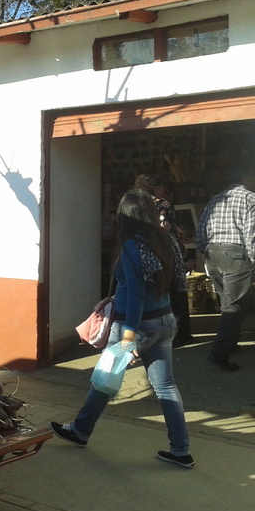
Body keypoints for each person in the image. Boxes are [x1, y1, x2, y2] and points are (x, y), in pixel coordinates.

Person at [52, 188, 194, 468]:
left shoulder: (131, 245)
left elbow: (138, 294)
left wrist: (128, 338)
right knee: (166, 386)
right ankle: (181, 450)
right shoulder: (165, 240)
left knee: (106, 378)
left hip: (137, 323)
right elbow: (177, 282)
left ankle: (81, 430)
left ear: (126, 216)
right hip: (165, 320)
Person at [196, 167, 255, 371]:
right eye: (253, 175)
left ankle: (230, 344)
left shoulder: (216, 198)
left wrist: (205, 250)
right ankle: (219, 352)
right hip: (234, 253)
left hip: (212, 252)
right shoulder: (252, 198)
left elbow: (201, 228)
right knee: (235, 306)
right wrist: (251, 258)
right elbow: (251, 231)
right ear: (244, 177)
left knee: (227, 302)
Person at [134, 174, 193, 346]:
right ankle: (178, 335)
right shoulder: (162, 203)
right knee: (175, 292)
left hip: (142, 250)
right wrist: (185, 255)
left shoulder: (135, 203)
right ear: (155, 187)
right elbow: (169, 231)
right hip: (165, 251)